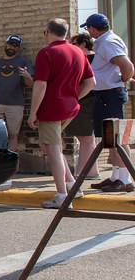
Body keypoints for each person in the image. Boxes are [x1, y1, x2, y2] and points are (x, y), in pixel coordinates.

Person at [28, 18, 96, 209]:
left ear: (47, 33)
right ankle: (72, 184)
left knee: (52, 148)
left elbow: (40, 85)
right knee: (50, 145)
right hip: (70, 109)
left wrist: (33, 112)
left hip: (51, 109)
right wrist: (75, 97)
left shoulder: (46, 53)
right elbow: (91, 82)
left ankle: (62, 195)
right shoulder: (78, 52)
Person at [81, 13, 135, 192]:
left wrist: (123, 79)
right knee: (109, 138)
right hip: (104, 95)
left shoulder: (109, 42)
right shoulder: (104, 42)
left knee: (117, 138)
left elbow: (127, 67)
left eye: (87, 28)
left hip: (110, 94)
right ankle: (115, 176)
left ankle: (125, 179)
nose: (88, 32)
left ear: (93, 28)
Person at [65, 33, 98, 179]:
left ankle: (86, 172)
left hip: (85, 101)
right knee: (87, 138)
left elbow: (89, 82)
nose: (72, 47)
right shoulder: (97, 58)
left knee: (85, 138)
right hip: (90, 101)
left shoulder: (89, 59)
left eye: (75, 43)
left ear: (84, 44)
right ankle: (90, 171)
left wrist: (76, 98)